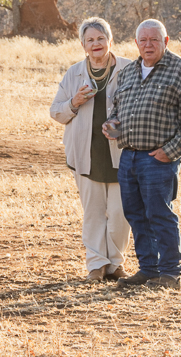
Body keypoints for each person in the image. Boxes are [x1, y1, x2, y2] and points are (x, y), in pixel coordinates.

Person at [103, 19, 181, 289]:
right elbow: (117, 111)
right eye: (143, 40)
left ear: (165, 41)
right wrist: (111, 124)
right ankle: (148, 269)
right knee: (135, 214)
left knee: (160, 214)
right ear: (136, 43)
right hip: (129, 157)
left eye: (154, 40)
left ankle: (170, 273)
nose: (148, 45)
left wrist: (170, 152)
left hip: (158, 159)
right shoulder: (127, 73)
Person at [50, 17, 132, 282]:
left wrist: (123, 125)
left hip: (122, 151)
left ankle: (115, 264)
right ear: (83, 45)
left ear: (110, 41)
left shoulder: (129, 69)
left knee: (121, 213)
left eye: (100, 38)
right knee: (94, 212)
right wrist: (74, 102)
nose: (96, 44)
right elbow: (57, 113)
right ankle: (96, 265)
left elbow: (141, 107)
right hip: (86, 153)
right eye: (90, 40)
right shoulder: (74, 73)